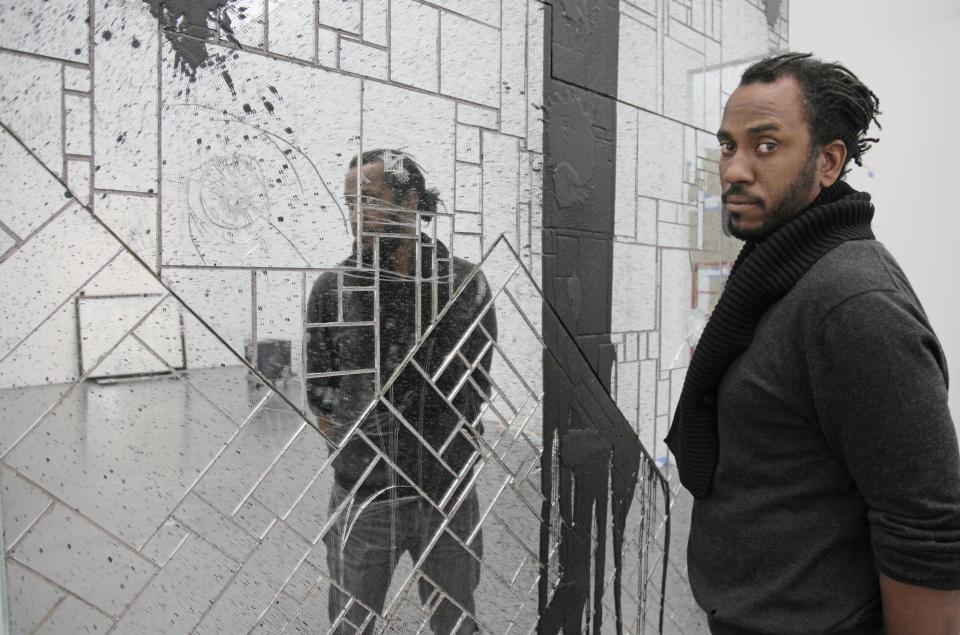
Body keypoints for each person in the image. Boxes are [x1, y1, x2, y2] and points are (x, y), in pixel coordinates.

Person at [665, 53, 960, 634]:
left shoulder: (851, 303)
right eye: (728, 146)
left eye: (766, 145)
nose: (734, 170)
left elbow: (926, 528)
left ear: (828, 162)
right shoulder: (781, 272)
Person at [306, 149, 497, 634]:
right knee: (352, 625)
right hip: (366, 496)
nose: (356, 215)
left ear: (411, 201)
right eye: (350, 203)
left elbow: (476, 386)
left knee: (456, 622)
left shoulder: (463, 284)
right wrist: (360, 459)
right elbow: (322, 396)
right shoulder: (335, 289)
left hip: (447, 495)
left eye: (368, 199)